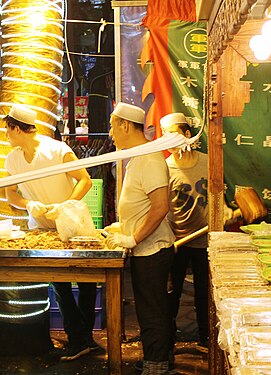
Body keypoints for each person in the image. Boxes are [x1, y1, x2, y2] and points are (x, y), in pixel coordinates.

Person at [2, 104, 96, 361]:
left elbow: (85, 180)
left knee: (87, 282)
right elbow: (10, 194)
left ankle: (85, 338)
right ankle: (78, 339)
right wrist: (28, 204)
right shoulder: (13, 159)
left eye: (7, 130)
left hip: (73, 224)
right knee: (60, 284)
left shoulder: (56, 150)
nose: (5, 135)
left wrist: (65, 206)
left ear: (17, 129)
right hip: (43, 229)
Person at [105, 103, 176, 375]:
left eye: (113, 126)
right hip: (143, 249)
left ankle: (156, 367)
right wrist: (122, 226)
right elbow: (141, 205)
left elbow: (160, 207)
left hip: (152, 251)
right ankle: (158, 359)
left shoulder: (150, 159)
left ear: (125, 125)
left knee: (152, 310)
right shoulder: (137, 157)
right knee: (150, 307)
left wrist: (133, 238)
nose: (111, 133)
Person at [160, 113, 209, 354]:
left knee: (204, 292)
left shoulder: (209, 162)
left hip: (204, 239)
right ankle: (168, 342)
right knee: (172, 293)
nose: (167, 140)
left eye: (172, 135)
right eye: (164, 136)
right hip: (176, 239)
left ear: (188, 135)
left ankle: (206, 339)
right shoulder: (164, 167)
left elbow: (219, 196)